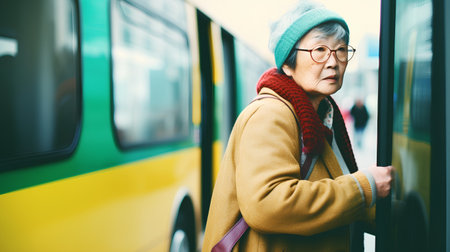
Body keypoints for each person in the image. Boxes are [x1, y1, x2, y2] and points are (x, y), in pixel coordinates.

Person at [202, 1, 393, 251]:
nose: (333, 62)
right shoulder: (271, 114)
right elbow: (267, 204)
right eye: (320, 50)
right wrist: (363, 187)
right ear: (288, 64)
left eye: (341, 50)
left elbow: (333, 198)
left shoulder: (323, 115)